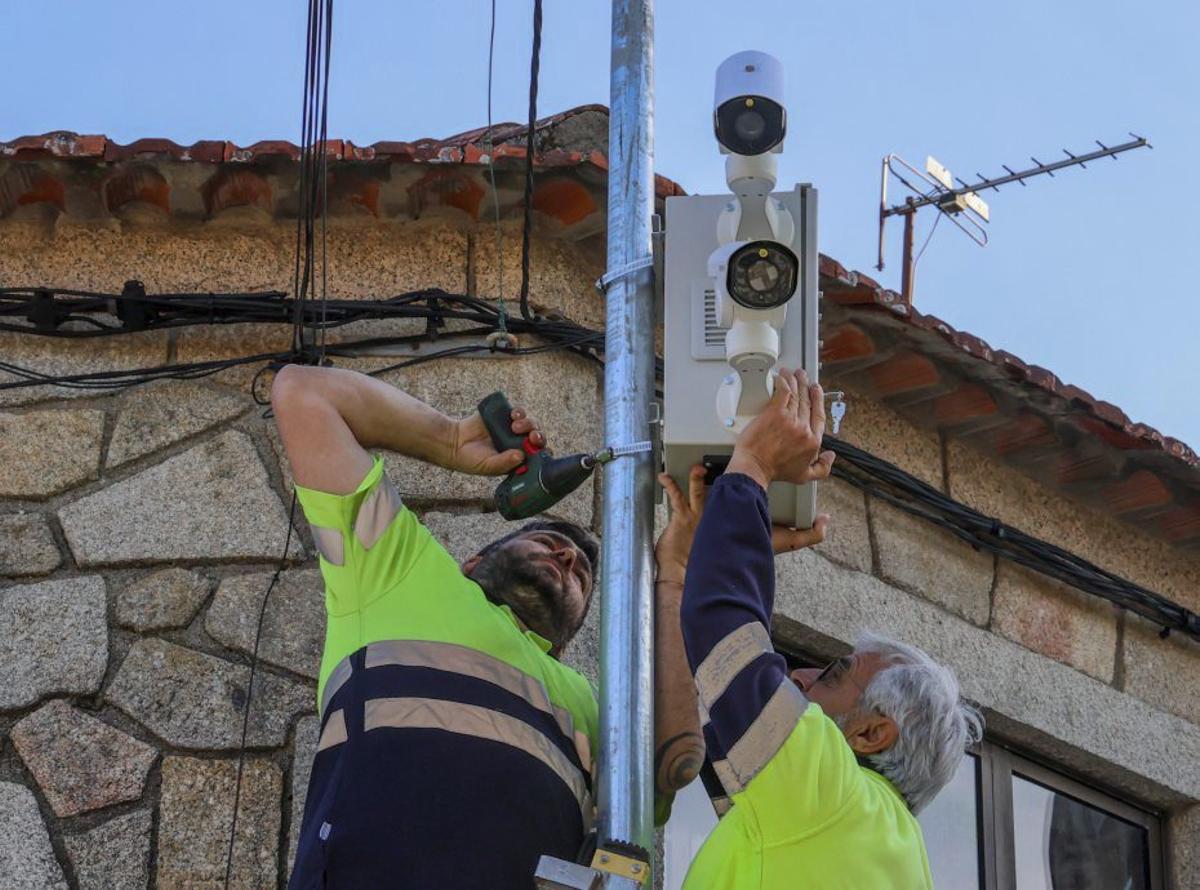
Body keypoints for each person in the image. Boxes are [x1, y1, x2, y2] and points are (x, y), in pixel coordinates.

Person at [273, 364, 604, 889]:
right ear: (471, 563)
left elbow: (665, 779)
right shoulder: (398, 573)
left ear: (566, 642)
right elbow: (304, 394)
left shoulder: (588, 702)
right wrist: (448, 438)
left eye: (582, 574)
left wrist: (675, 574)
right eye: (547, 540)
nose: (567, 555)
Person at [660, 368, 983, 890]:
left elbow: (725, 629)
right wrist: (690, 565)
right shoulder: (880, 843)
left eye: (833, 675)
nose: (799, 675)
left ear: (871, 734)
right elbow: (707, 703)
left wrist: (754, 468)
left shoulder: (833, 800)